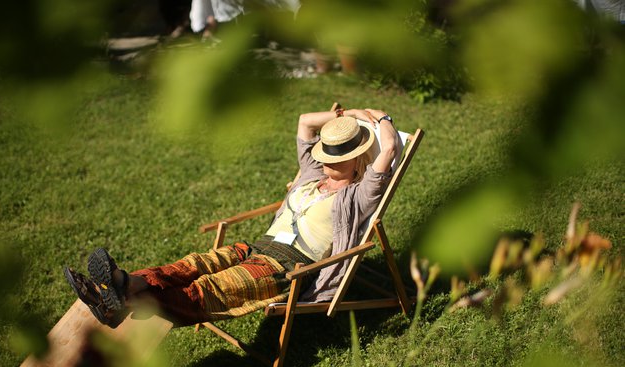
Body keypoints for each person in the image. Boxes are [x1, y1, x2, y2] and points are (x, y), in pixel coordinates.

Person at [64, 107, 402, 328]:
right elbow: (304, 121)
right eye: (326, 151)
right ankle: (122, 283)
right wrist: (349, 116)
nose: (327, 161)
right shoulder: (313, 172)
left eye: (337, 155)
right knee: (191, 264)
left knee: (211, 288)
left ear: (358, 159)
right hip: (256, 248)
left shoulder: (358, 195)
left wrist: (381, 119)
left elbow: (388, 150)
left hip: (289, 269)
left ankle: (118, 301)